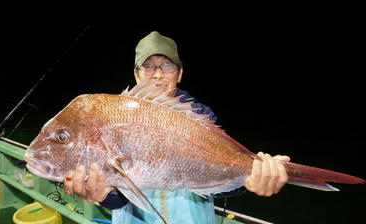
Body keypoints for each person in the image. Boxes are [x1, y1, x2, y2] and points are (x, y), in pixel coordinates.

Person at [64, 31, 291, 223]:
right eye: (148, 66)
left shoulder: (200, 115)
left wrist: (250, 177)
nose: (158, 74)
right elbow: (119, 198)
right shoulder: (114, 116)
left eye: (167, 65)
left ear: (179, 73)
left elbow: (224, 175)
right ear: (136, 74)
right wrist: (104, 194)